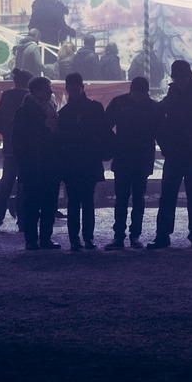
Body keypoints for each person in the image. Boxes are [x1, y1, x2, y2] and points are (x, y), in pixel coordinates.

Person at [148, 60, 192, 250]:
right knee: (191, 196)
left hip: (179, 153)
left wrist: (165, 144)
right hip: (189, 154)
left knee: (170, 195)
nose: (179, 82)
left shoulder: (176, 94)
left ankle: (164, 235)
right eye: (177, 79)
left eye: (181, 78)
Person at [58, 73, 112, 251]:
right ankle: (86, 238)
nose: (73, 91)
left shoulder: (64, 113)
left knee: (75, 202)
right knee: (86, 202)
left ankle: (76, 239)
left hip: (72, 161)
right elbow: (104, 132)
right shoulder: (94, 108)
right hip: (88, 160)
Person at [104, 76, 159, 249]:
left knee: (123, 199)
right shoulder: (152, 107)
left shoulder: (119, 103)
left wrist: (113, 143)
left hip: (123, 156)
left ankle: (120, 236)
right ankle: (133, 236)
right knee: (136, 199)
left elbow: (105, 126)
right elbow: (160, 132)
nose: (137, 96)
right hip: (141, 157)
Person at [14, 76, 63, 250]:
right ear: (35, 91)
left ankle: (42, 238)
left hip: (48, 164)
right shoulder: (26, 112)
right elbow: (19, 142)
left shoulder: (45, 109)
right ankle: (34, 239)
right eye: (46, 88)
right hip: (35, 164)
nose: (50, 91)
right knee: (34, 204)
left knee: (47, 203)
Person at [0, 68, 32, 233]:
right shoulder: (30, 98)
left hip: (10, 148)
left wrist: (8, 134)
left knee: (5, 185)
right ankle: (22, 221)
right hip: (27, 149)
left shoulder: (6, 96)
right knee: (24, 185)